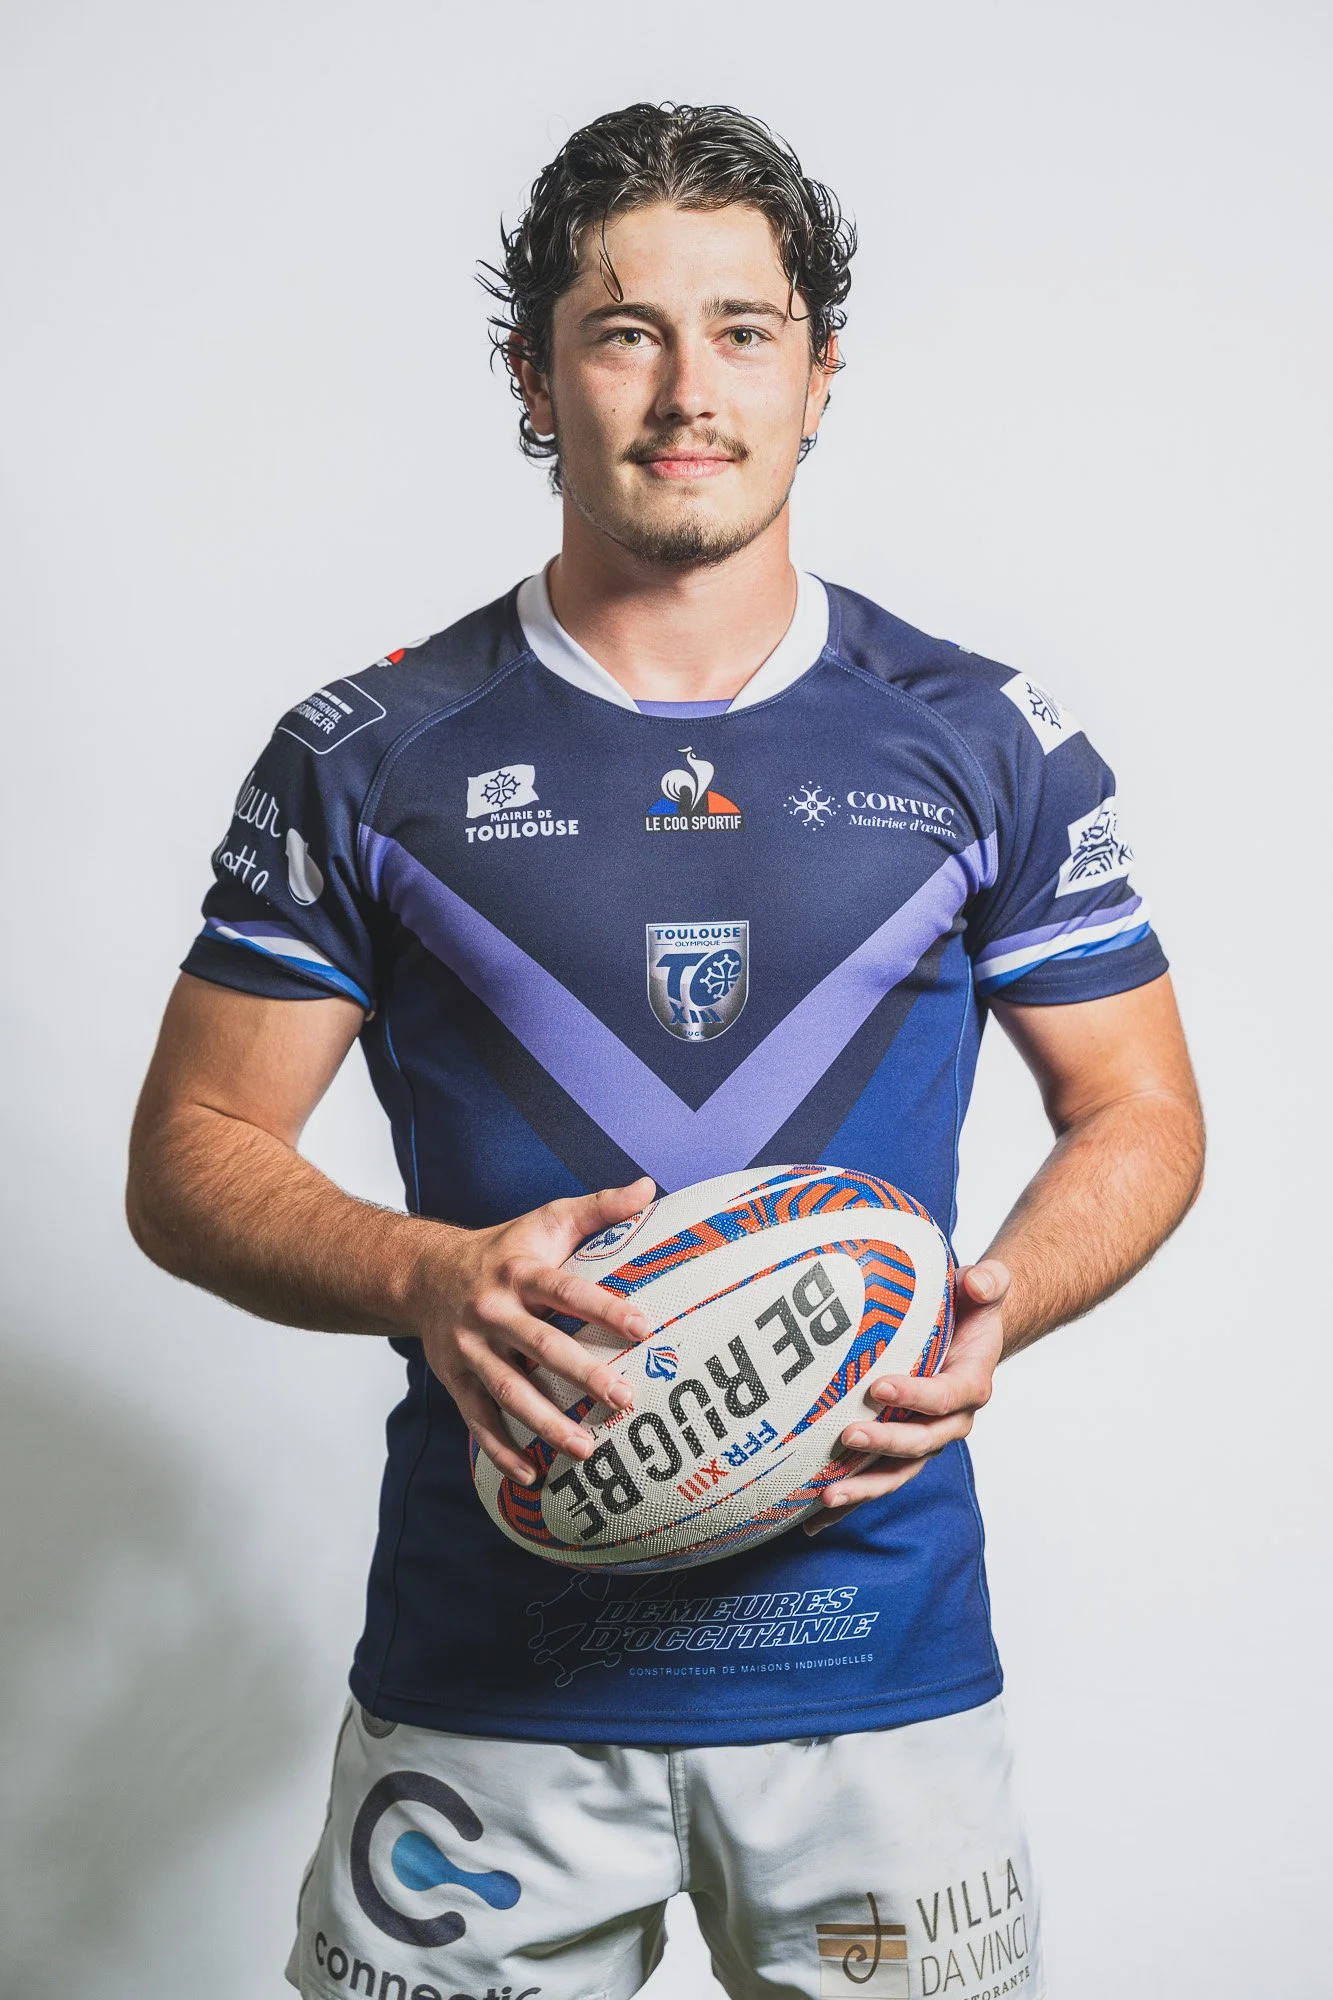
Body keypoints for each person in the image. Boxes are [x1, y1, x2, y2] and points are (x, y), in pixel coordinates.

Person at [127, 102, 1203, 2000]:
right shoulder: (368, 753)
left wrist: (1001, 1304)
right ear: (533, 375)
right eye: (625, 331)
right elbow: (190, 1151)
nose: (689, 389)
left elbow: (1141, 1108)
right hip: (489, 1692)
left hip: (879, 1685)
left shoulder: (983, 737)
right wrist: (426, 1274)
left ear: (819, 371)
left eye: (743, 329)